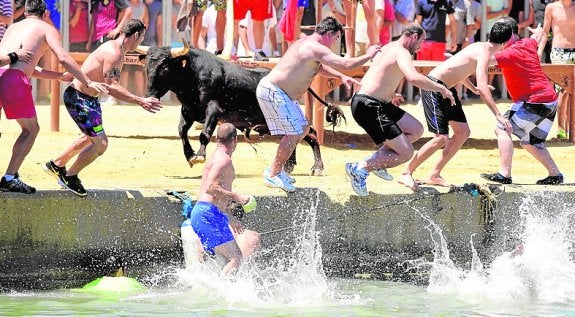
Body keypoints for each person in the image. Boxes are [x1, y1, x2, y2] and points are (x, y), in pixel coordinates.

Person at [256, 16, 380, 192]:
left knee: (303, 128)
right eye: (337, 38)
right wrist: (369, 54)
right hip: (274, 91)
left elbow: (317, 67)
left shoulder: (305, 43)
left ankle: (277, 170)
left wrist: (340, 76)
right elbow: (346, 64)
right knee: (296, 132)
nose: (336, 42)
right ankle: (273, 173)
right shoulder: (314, 47)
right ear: (329, 33)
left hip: (277, 91)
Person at [43, 18, 162, 197]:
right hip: (79, 98)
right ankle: (69, 176)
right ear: (135, 35)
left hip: (88, 99)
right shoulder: (114, 53)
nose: (141, 42)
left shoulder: (118, 49)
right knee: (101, 144)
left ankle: (56, 164)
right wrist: (140, 100)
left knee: (88, 137)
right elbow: (112, 87)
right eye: (141, 38)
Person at [0, 0, 108, 194]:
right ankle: (9, 177)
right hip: (14, 81)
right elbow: (63, 58)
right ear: (45, 14)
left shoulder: (13, 27)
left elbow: (26, 64)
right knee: (30, 130)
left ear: (25, 13)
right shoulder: (46, 28)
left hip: (1, 73)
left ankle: (9, 177)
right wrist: (87, 81)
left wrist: (57, 76)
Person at [400, 21, 514, 189]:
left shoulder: (479, 47)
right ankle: (406, 173)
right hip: (433, 87)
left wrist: (473, 89)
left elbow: (459, 71)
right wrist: (497, 114)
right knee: (440, 138)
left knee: (463, 132)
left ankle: (435, 174)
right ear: (506, 43)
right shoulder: (484, 53)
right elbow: (484, 86)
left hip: (447, 89)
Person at [344, 24, 455, 196]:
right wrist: (441, 89)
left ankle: (378, 163)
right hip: (368, 105)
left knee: (415, 129)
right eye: (421, 41)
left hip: (376, 101)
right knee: (406, 153)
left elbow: (378, 75)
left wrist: (390, 94)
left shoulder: (389, 47)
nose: (421, 46)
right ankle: (360, 169)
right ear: (413, 36)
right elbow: (413, 78)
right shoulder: (401, 51)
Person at [481, 18, 564, 185]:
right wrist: (539, 31)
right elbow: (538, 37)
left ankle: (504, 175)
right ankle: (555, 175)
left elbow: (483, 61)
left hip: (535, 101)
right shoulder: (527, 42)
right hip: (548, 100)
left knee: (502, 129)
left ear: (509, 33)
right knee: (531, 142)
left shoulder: (508, 53)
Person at [188, 123, 261, 275]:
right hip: (207, 214)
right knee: (235, 258)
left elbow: (212, 196)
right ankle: (220, 293)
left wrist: (229, 218)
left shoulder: (215, 156)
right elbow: (211, 188)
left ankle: (212, 286)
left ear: (216, 138)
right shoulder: (224, 159)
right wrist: (237, 197)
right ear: (235, 140)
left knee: (219, 257)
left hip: (208, 212)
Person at [539, 0, 575, 140]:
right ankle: (561, 129)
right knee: (563, 90)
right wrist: (539, 52)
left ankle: (571, 128)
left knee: (572, 91)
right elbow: (545, 32)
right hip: (559, 51)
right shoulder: (551, 8)